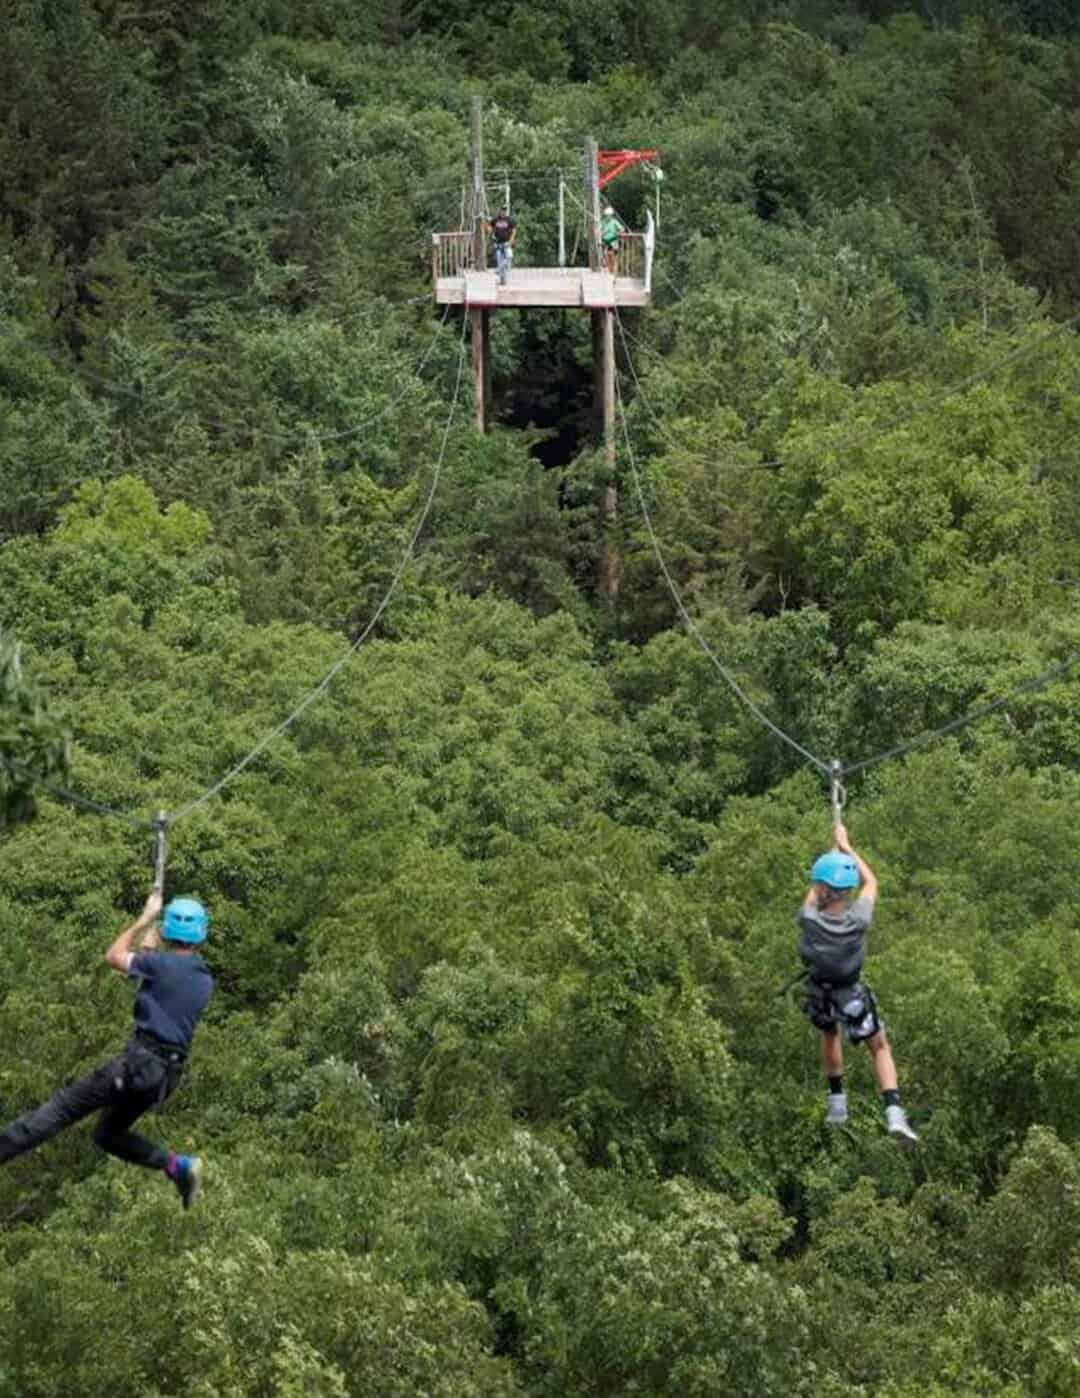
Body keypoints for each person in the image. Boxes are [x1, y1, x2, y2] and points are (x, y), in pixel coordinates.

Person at [0, 888, 214, 1206]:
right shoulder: (203, 978)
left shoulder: (159, 965)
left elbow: (114, 955)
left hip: (137, 1066)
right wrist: (149, 949)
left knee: (60, 1109)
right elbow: (161, 987)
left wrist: (145, 918)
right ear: (200, 934)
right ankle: (177, 1166)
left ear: (167, 929)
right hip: (163, 1078)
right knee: (108, 1135)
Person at [797, 822, 918, 1147]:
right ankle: (894, 1111)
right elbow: (871, 881)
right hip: (851, 997)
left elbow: (813, 893)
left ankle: (837, 1101)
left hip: (821, 997)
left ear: (822, 889)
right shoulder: (859, 919)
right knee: (879, 1046)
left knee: (829, 1034)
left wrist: (829, 859)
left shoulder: (809, 919)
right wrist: (847, 847)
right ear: (847, 891)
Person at [488, 206, 516, 283]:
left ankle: (499, 269)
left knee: (509, 256)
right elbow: (489, 226)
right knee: (499, 260)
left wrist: (511, 240)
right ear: (499, 211)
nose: (503, 212)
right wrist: (490, 232)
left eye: (504, 210)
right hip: (498, 243)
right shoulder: (495, 220)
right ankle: (502, 280)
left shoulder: (509, 220)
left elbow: (514, 230)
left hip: (507, 242)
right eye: (502, 210)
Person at [601, 204, 623, 275]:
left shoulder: (614, 221)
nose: (607, 216)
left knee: (613, 257)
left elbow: (622, 229)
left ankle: (614, 272)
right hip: (605, 241)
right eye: (606, 215)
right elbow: (599, 230)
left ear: (611, 215)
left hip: (613, 241)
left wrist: (617, 233)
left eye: (609, 215)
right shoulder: (603, 222)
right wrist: (601, 233)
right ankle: (610, 271)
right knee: (607, 256)